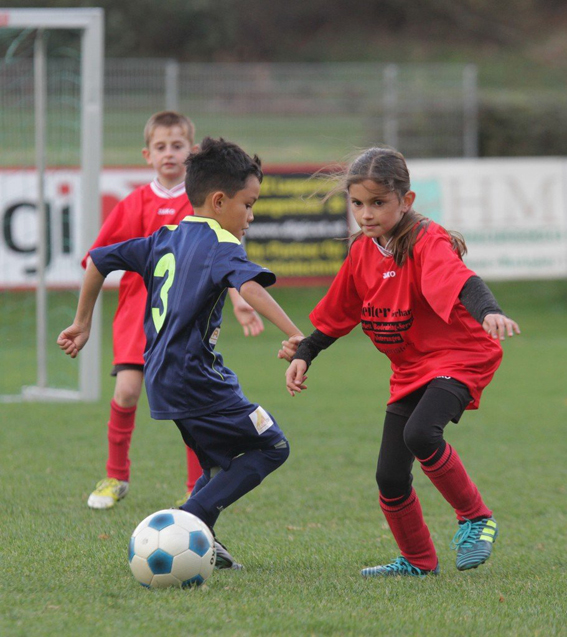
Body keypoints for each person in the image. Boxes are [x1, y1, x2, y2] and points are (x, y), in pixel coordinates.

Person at [58, 136, 303, 569]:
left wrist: (82, 322)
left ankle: (204, 538)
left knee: (216, 464)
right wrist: (297, 334)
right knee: (273, 446)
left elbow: (97, 259)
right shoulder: (221, 246)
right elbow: (247, 285)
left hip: (163, 375)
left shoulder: (164, 238)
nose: (251, 215)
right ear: (220, 200)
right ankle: (191, 520)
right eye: (248, 205)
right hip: (197, 377)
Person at [282, 147, 520, 577]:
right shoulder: (362, 251)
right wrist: (305, 353)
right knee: (389, 477)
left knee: (421, 433)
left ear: (405, 201)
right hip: (411, 371)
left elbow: (463, 281)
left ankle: (476, 519)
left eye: (378, 203)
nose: (366, 214)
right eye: (357, 203)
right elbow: (340, 312)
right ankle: (417, 560)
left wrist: (489, 312)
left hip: (462, 357)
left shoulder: (428, 240)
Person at [85, 111, 265, 510]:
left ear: (192, 152)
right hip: (138, 313)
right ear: (148, 154)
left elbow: (230, 261)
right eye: (161, 147)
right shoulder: (134, 202)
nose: (169, 153)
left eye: (178, 146)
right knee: (128, 390)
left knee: (193, 400)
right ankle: (116, 475)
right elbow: (98, 256)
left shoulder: (202, 203)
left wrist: (239, 302)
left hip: (185, 318)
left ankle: (193, 485)